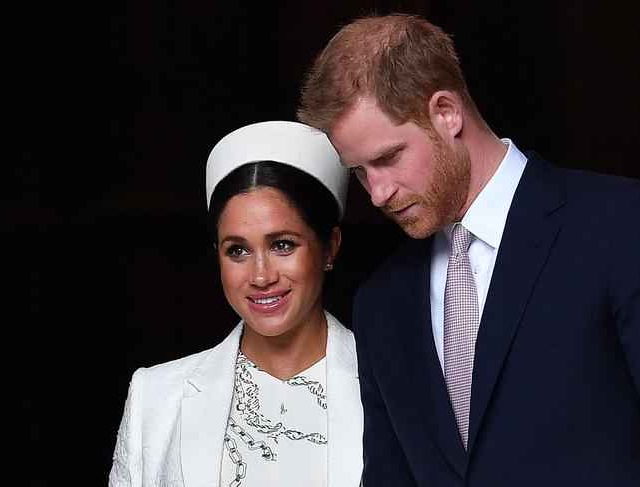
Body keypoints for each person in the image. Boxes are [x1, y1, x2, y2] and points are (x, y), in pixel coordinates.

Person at [298, 13, 640, 487]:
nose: (376, 193)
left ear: (447, 113)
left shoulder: (619, 226)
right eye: (359, 171)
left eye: (388, 157)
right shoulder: (380, 305)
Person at [109, 121, 363, 487]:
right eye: (238, 250)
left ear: (330, 247)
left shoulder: (388, 386)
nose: (261, 276)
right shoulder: (157, 397)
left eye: (283, 245)